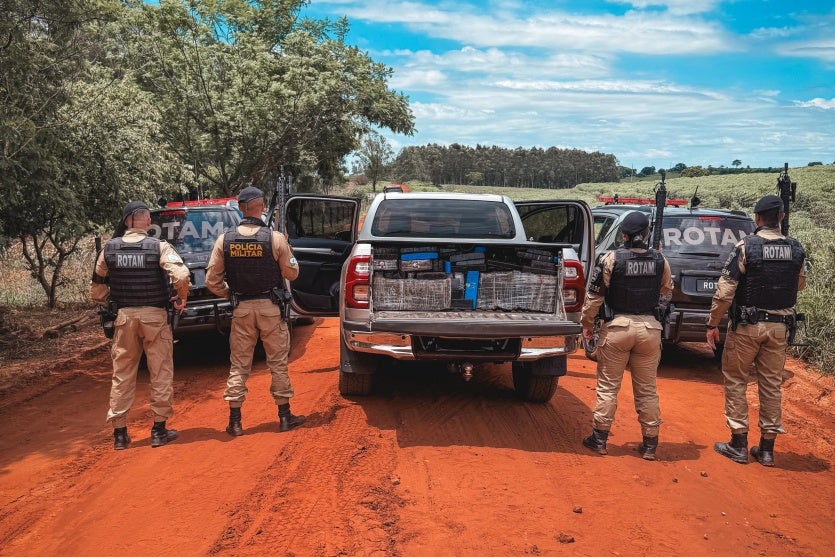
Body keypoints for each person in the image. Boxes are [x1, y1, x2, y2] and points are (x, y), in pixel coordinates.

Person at [708, 195, 806, 467]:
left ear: (758, 218)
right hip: (780, 327)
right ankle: (767, 450)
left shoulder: (745, 247)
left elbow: (725, 291)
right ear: (782, 217)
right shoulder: (796, 249)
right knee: (771, 385)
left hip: (747, 327)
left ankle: (738, 444)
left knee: (736, 380)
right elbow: (798, 285)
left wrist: (712, 323)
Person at [91, 201, 191, 450]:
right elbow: (181, 276)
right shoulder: (159, 246)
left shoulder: (109, 249)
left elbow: (97, 289)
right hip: (155, 317)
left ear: (126, 222)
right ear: (147, 222)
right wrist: (181, 297)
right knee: (160, 372)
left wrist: (109, 303)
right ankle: (158, 431)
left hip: (124, 318)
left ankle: (119, 435)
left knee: (122, 375)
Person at [205, 186, 304, 435]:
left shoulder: (224, 239)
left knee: (239, 365)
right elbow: (292, 273)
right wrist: (287, 251)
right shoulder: (275, 238)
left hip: (241, 309)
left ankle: (235, 422)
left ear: (240, 208)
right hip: (270, 308)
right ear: (261, 207)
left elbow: (211, 281)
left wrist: (231, 294)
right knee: (277, 363)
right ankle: (284, 417)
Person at [580, 211, 673, 460]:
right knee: (647, 389)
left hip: (617, 328)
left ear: (623, 235)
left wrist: (587, 324)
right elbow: (666, 291)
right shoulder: (660, 260)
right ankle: (650, 444)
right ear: (647, 233)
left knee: (608, 387)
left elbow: (594, 297)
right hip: (650, 330)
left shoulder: (610, 259)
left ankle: (599, 439)